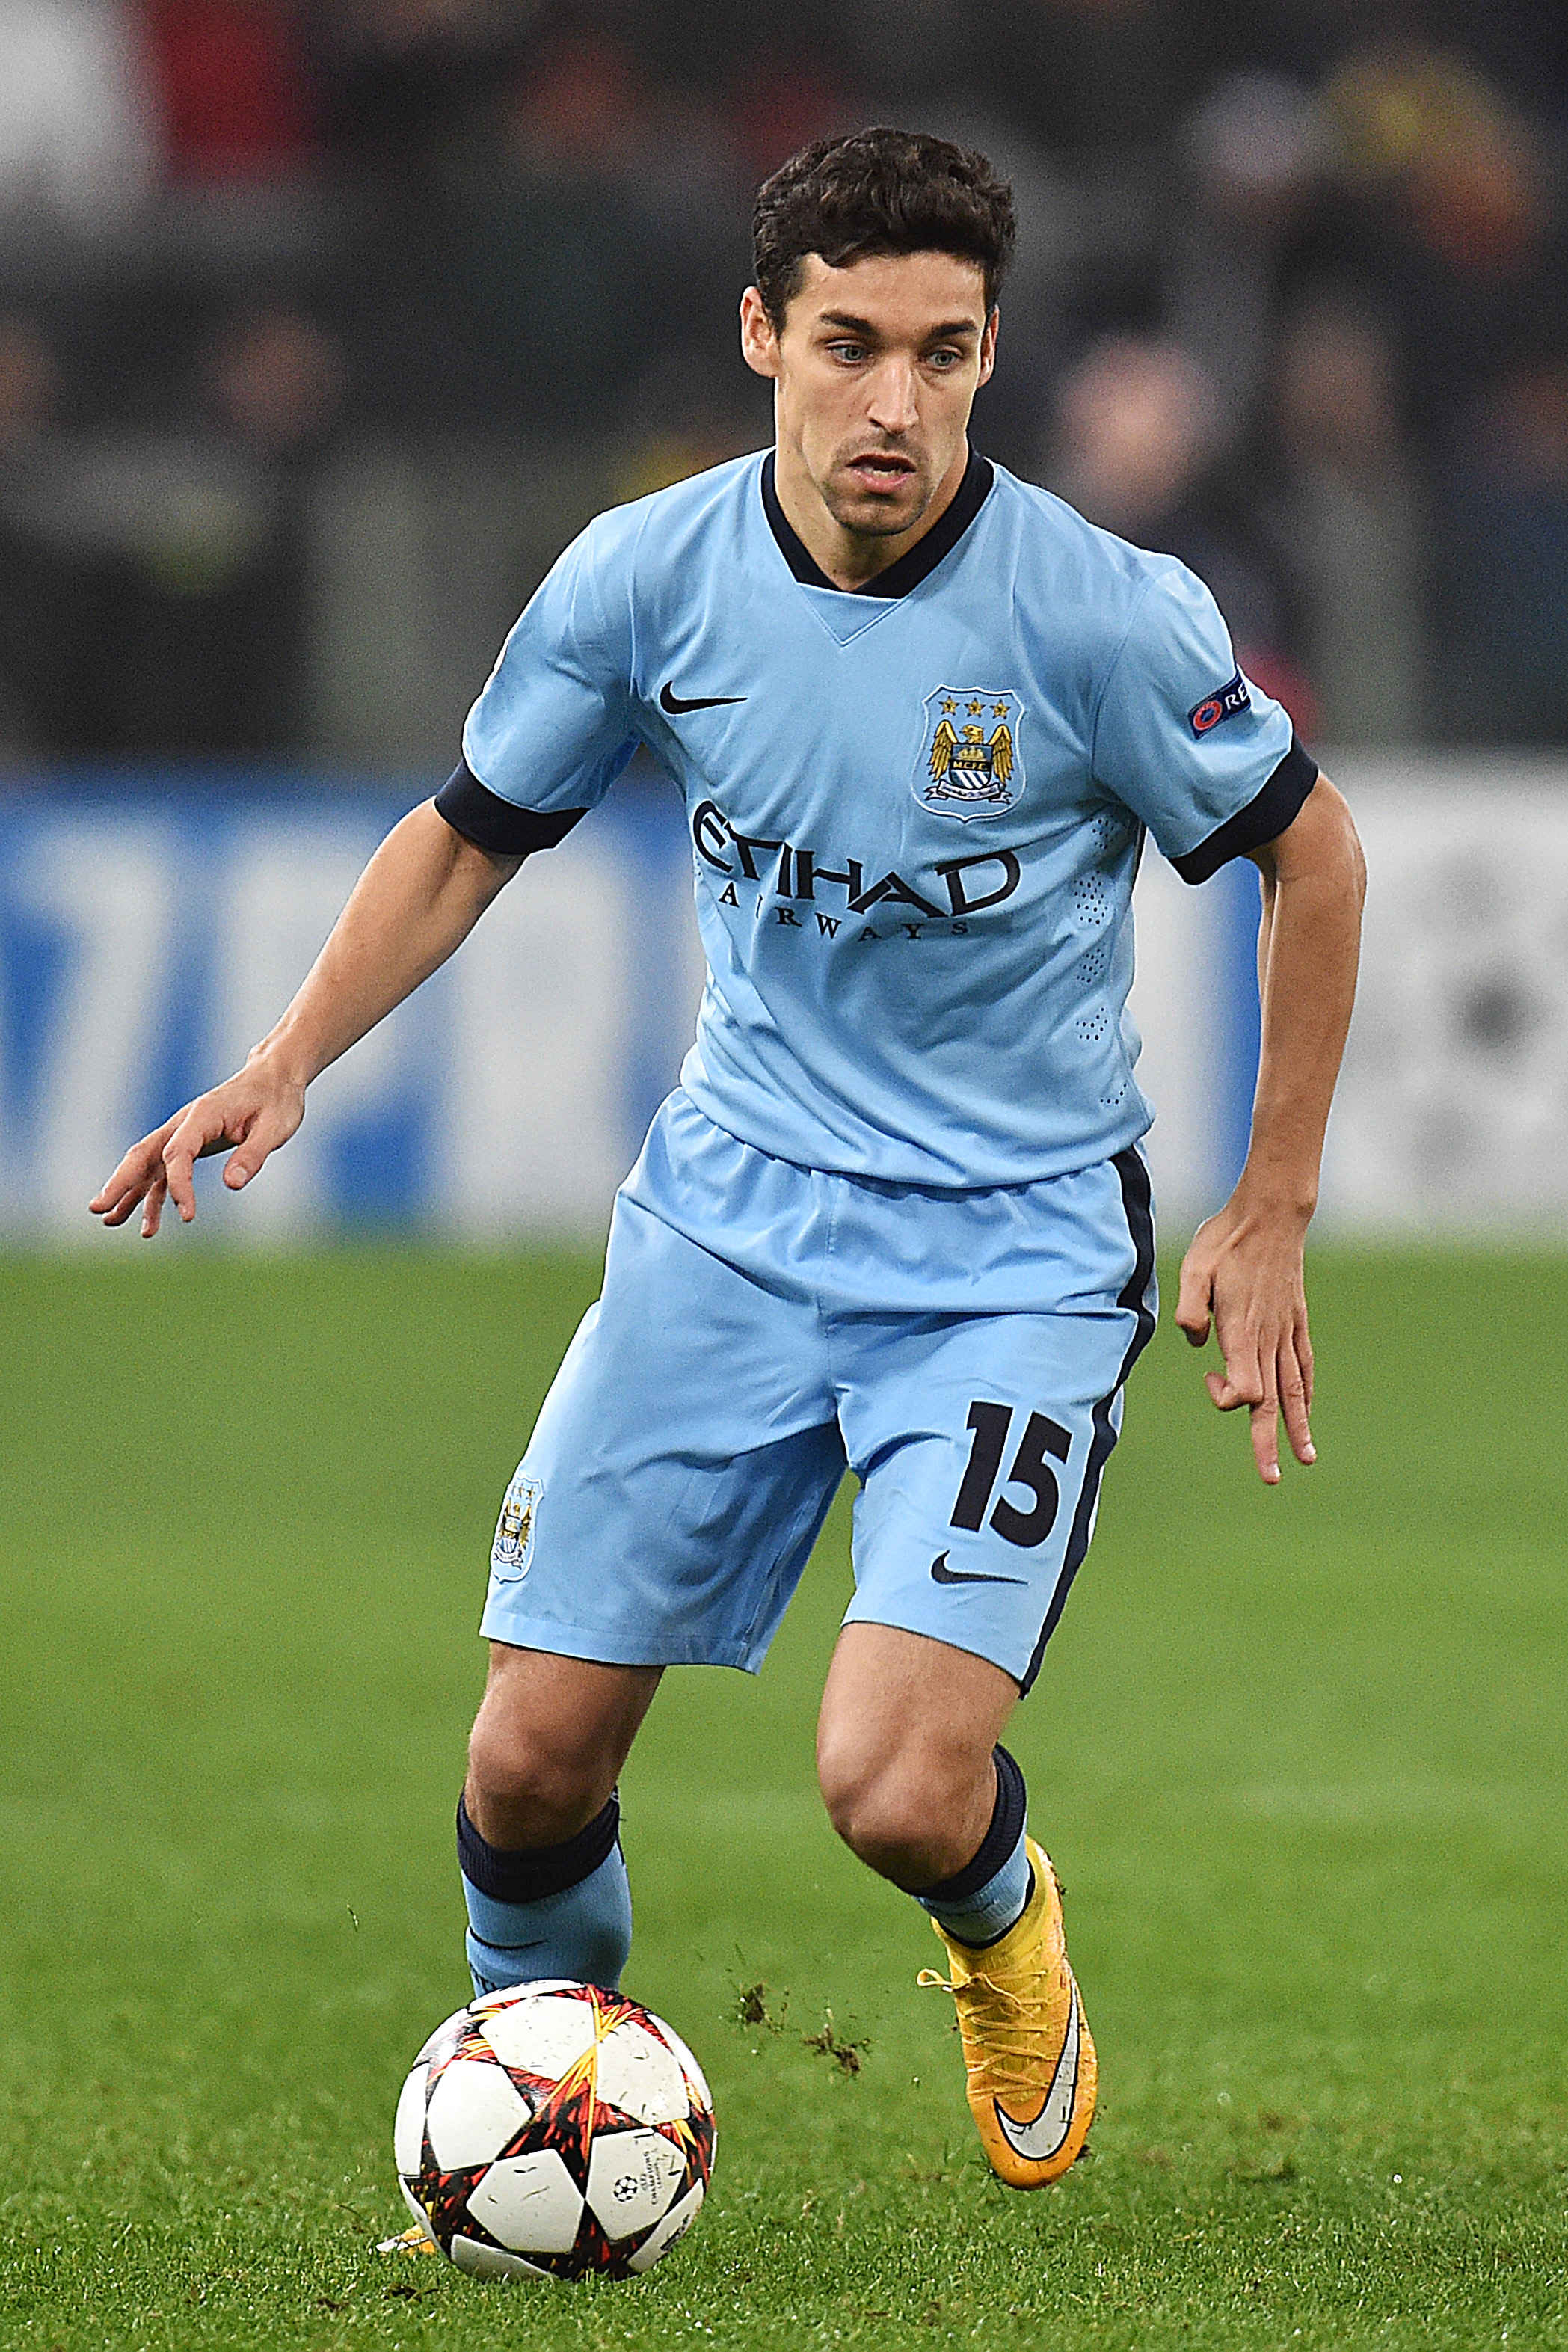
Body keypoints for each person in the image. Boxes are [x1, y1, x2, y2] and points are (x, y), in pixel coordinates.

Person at [90, 127, 1365, 2199]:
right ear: (760, 333)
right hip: (730, 1229)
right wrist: (287, 1057)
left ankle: (996, 1912)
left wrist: (1269, 1197)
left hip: (1011, 1261)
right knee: (523, 1763)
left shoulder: (1098, 615)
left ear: (986, 355)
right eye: (849, 344)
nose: (896, 402)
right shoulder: (643, 574)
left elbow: (1308, 851)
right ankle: (552, 2124)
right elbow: (471, 830)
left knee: (884, 1782)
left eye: (943, 354)